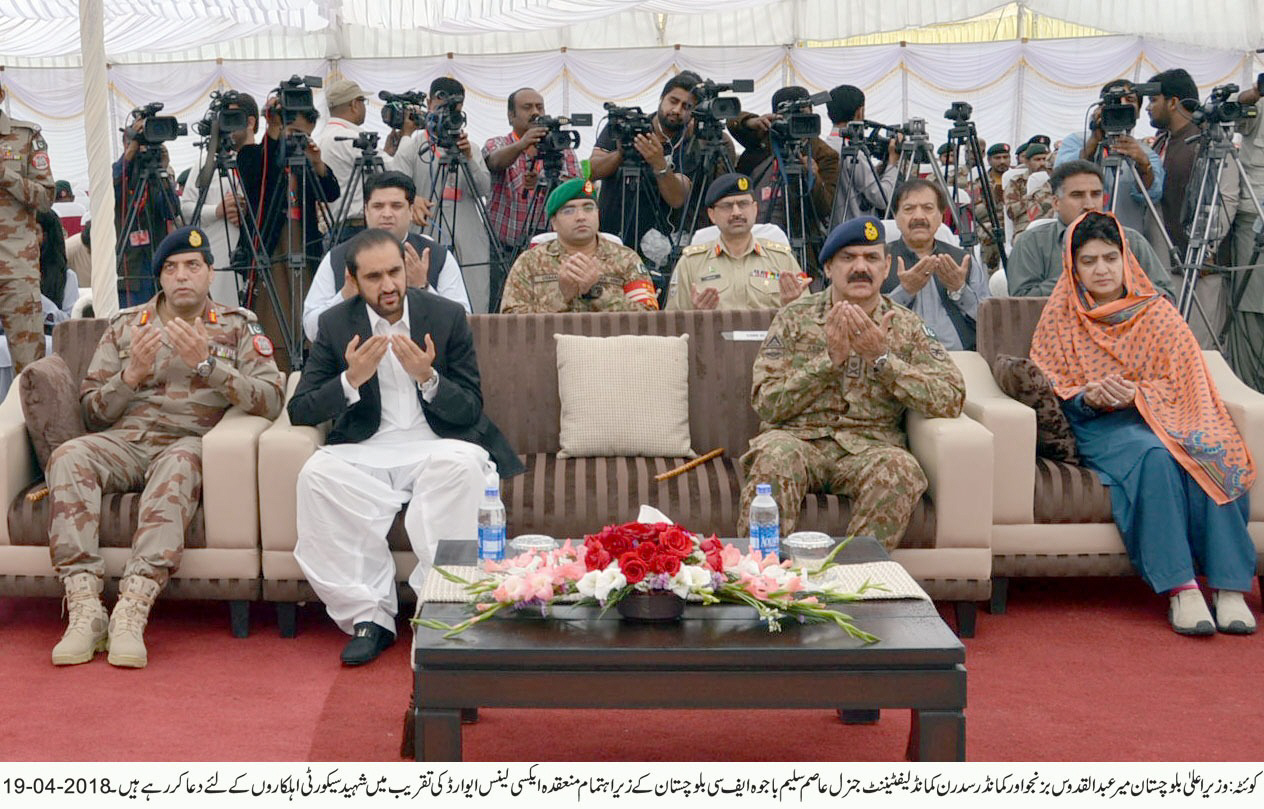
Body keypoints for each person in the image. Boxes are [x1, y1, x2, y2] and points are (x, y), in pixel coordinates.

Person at [47, 226, 284, 668]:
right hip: (126, 442)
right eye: (171, 268)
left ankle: (133, 608)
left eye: (193, 266)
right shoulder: (126, 326)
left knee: (178, 463)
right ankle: (84, 608)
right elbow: (94, 413)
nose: (181, 277)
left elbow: (271, 399)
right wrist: (130, 375)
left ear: (211, 273)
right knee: (70, 455)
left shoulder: (237, 326)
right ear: (159, 278)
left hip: (188, 443)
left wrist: (209, 368)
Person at [288, 228, 524, 665]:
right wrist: (350, 379)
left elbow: (472, 406)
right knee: (316, 478)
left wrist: (429, 379)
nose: (389, 285)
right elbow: (300, 409)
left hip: (437, 444)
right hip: (367, 449)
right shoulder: (337, 324)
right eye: (374, 277)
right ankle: (370, 618)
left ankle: (444, 608)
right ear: (355, 281)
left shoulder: (446, 315)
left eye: (395, 272)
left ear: (407, 267)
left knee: (464, 469)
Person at [1030, 211, 1257, 636]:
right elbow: (1053, 383)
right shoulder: (1061, 316)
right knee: (1154, 457)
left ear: (1126, 260)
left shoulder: (1157, 312)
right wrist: (1089, 396)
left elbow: (1186, 376)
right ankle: (1181, 588)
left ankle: (1230, 588)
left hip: (1171, 415)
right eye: (1089, 260)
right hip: (1104, 427)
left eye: (1110, 258)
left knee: (1209, 450)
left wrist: (1143, 394)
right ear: (1073, 267)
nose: (1101, 269)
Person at [735, 216, 965, 549]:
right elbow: (766, 402)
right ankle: (763, 580)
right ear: (828, 267)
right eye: (848, 258)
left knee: (902, 469)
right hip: (799, 440)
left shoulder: (907, 326)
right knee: (774, 457)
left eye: (871, 258)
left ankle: (854, 576)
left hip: (870, 447)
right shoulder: (794, 318)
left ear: (886, 267)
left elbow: (951, 397)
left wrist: (882, 360)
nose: (861, 267)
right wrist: (828, 361)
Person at [236, 98, 341, 372]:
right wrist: (273, 132)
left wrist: (317, 164)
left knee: (305, 304)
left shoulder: (304, 159)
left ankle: (308, 364)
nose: (298, 140)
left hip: (304, 243)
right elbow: (258, 174)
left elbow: (331, 193)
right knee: (273, 312)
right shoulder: (252, 155)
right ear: (278, 126)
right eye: (293, 133)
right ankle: (275, 369)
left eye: (305, 134)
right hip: (271, 243)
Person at [303, 171, 469, 341]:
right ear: (366, 210)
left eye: (396, 206)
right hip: (356, 361)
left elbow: (464, 324)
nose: (387, 214)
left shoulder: (437, 256)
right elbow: (311, 330)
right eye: (378, 206)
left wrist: (423, 288)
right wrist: (344, 296)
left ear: (411, 211)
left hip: (423, 360)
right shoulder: (337, 258)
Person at [1147, 67, 1239, 347]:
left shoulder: (1208, 141)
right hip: (1169, 266)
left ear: (1173, 102)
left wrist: (1206, 251)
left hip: (1202, 270)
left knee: (1200, 351)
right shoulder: (1163, 142)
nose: (1148, 109)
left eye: (1154, 100)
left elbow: (1227, 197)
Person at [392, 77, 494, 313]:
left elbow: (484, 189)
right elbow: (393, 188)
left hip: (467, 238)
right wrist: (412, 198)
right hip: (424, 232)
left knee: (473, 299)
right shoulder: (412, 146)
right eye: (440, 100)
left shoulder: (471, 147)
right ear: (428, 102)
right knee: (423, 301)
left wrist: (468, 157)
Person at [1007, 160, 1175, 299]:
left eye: (1096, 194)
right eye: (1077, 195)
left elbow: (1167, 297)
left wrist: (1121, 284)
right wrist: (1077, 279)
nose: (1089, 204)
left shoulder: (1131, 240)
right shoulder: (1032, 243)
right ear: (1056, 203)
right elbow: (1021, 304)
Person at [483, 87, 583, 312]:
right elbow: (494, 162)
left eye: (540, 107)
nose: (535, 112)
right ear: (511, 116)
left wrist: (548, 183)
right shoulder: (497, 143)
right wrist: (522, 145)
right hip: (505, 249)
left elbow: (578, 189)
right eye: (527, 108)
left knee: (548, 309)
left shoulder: (562, 149)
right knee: (502, 307)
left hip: (550, 250)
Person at [499, 177, 659, 314]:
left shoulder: (626, 259)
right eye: (569, 211)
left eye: (588, 208)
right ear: (554, 222)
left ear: (598, 214)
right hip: (551, 349)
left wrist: (597, 293)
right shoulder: (530, 262)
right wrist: (562, 299)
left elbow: (648, 318)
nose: (581, 217)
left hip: (611, 348)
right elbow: (511, 324)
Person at [589, 71, 700, 263]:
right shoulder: (626, 125)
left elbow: (677, 198)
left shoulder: (692, 143)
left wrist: (658, 162)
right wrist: (621, 153)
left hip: (656, 249)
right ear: (661, 98)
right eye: (673, 101)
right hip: (610, 235)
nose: (677, 110)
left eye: (686, 106)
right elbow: (590, 170)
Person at [666, 173, 807, 311]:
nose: (736, 212)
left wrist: (790, 305)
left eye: (743, 204)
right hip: (712, 334)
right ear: (712, 215)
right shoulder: (691, 263)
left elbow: (808, 316)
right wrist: (696, 316)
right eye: (727, 206)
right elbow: (673, 324)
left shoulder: (781, 258)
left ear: (755, 209)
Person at [884, 179, 989, 350]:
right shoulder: (879, 261)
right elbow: (866, 320)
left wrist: (960, 290)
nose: (919, 216)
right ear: (895, 217)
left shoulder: (963, 261)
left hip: (959, 358)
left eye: (928, 208)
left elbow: (989, 321)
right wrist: (905, 292)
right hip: (898, 360)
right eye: (909, 209)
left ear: (941, 217)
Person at [1055, 79, 1166, 237]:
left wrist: (1143, 165)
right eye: (1114, 101)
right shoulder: (1076, 141)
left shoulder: (1145, 153)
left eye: (1130, 100)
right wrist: (1094, 140)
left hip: (1123, 242)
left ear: (1138, 111)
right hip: (1075, 239)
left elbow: (1152, 195)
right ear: (1100, 107)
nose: (1121, 105)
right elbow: (1061, 177)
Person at [180, 90, 259, 306]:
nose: (227, 126)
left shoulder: (263, 161)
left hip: (258, 260)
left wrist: (247, 208)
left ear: (250, 121)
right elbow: (186, 209)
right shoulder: (205, 164)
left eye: (233, 119)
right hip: (218, 262)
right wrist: (218, 210)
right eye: (224, 119)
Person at [729, 87, 840, 235]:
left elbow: (826, 208)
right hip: (757, 232)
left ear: (812, 114)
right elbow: (732, 122)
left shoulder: (824, 154)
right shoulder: (766, 139)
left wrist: (813, 177)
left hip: (801, 232)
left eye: (802, 115)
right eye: (788, 116)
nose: (796, 121)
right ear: (775, 117)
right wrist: (751, 121)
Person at [0, 79, 54, 376]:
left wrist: (6, 175)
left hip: (15, 267)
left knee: (30, 368)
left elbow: (46, 198)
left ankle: (30, 423)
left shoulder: (25, 136)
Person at [0, 210, 78, 399]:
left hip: (49, 343)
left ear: (47, 235)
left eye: (33, 231)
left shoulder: (66, 278)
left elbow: (69, 323)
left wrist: (35, 298)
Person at [113, 117, 182, 307]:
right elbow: (111, 189)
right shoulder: (119, 173)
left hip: (159, 267)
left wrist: (164, 170)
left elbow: (171, 210)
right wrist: (131, 152)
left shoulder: (157, 178)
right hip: (130, 271)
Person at [1223, 76, 1264, 390]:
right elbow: (1227, 110)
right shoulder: (1258, 102)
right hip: (1256, 223)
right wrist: (1255, 93)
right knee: (1252, 316)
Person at [824, 84, 899, 228]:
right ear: (860, 112)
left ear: (829, 114)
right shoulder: (854, 153)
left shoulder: (824, 147)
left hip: (832, 232)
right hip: (858, 231)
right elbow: (882, 198)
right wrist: (892, 164)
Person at [317, 78, 376, 238]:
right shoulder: (351, 138)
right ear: (354, 104)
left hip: (335, 228)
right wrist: (406, 135)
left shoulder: (324, 136)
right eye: (363, 101)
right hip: (356, 228)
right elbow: (393, 169)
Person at [1004, 142, 1055, 241]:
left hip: (1052, 224)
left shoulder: (1056, 180)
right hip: (1025, 226)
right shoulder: (1017, 182)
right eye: (1037, 159)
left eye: (1044, 159)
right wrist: (1033, 196)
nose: (1042, 163)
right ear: (1027, 162)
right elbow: (1011, 211)